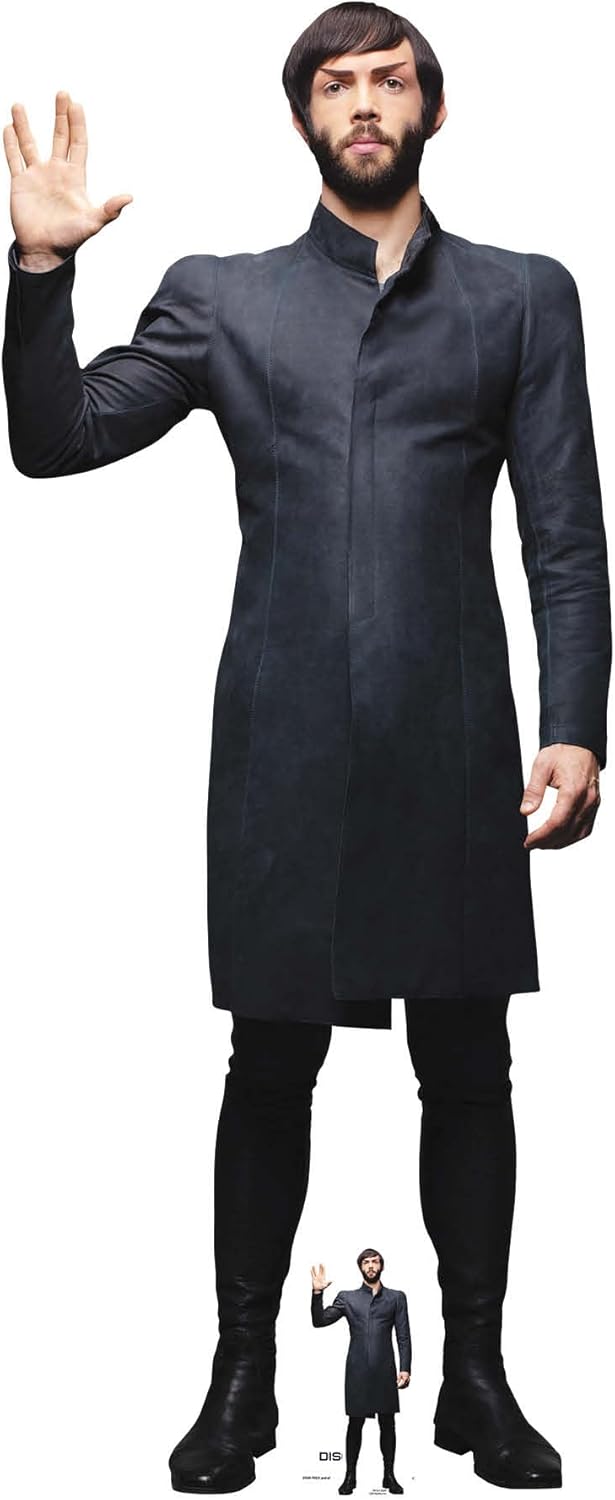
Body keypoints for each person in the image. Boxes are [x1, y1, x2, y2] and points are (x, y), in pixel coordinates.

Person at [2, 3, 610, 1495]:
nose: (362, 103)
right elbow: (56, 437)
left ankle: (475, 1378)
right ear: (302, 122)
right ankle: (241, 1381)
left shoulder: (523, 297)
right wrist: (42, 272)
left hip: (453, 739)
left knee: (469, 1060)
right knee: (267, 1062)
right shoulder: (227, 299)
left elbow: (562, 537)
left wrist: (574, 724)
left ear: (433, 109)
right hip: (279, 747)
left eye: (388, 79)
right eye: (334, 85)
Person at [311, 1250, 411, 1494]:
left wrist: (405, 1368)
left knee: (388, 1423)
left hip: (385, 1370)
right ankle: (350, 1477)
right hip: (357, 1371)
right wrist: (317, 1293)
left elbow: (403, 1335)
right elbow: (319, 1321)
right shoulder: (348, 1298)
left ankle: (389, 1476)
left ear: (382, 1266)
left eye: (375, 1261)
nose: (371, 1266)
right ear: (360, 1268)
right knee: (354, 1423)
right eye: (366, 1262)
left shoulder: (396, 1298)